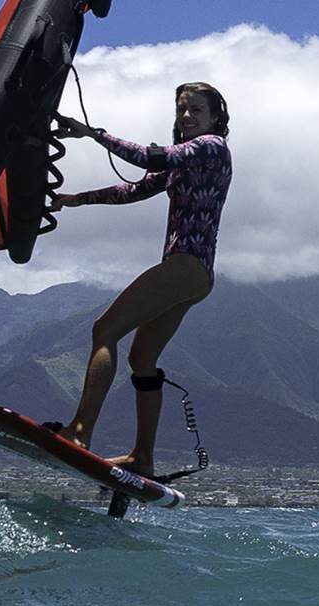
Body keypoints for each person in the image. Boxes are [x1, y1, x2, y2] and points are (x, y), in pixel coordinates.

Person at [47, 82, 233, 477]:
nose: (186, 116)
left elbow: (150, 158)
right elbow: (135, 189)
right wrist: (78, 199)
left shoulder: (211, 147)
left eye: (196, 110)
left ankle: (79, 432)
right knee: (141, 359)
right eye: (181, 109)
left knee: (105, 330)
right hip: (195, 275)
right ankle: (142, 457)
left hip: (186, 266)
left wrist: (93, 134)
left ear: (216, 117)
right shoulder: (185, 161)